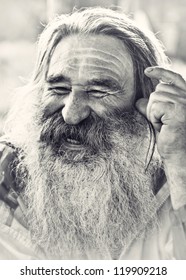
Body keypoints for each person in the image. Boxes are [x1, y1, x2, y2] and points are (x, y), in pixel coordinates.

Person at [0, 7, 186, 260]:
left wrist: (180, 166)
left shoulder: (176, 167)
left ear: (146, 104)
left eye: (99, 91)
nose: (71, 114)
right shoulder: (6, 180)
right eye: (59, 87)